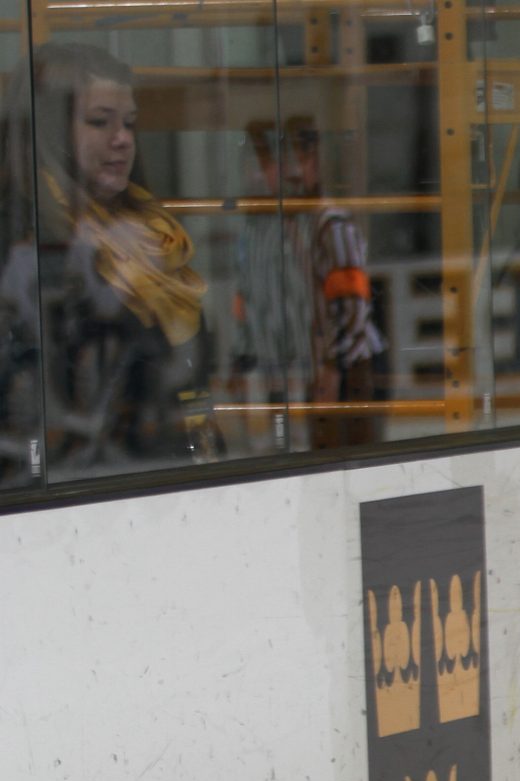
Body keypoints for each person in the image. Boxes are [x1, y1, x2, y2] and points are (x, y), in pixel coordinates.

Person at [0, 41, 212, 484]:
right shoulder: (21, 239)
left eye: (130, 123)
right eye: (100, 121)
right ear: (52, 130)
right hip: (55, 493)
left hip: (156, 476)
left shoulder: (151, 232)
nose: (123, 139)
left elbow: (188, 374)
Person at [236, 115, 386, 448]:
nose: (257, 174)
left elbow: (352, 305)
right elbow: (250, 299)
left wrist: (332, 371)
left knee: (340, 459)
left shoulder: (328, 223)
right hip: (293, 368)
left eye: (266, 161)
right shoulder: (263, 228)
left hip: (341, 373)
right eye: (256, 162)